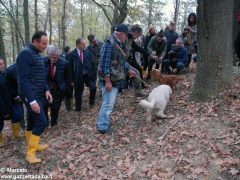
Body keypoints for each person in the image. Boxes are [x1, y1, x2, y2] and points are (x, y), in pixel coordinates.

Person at [16, 31, 52, 164]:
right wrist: (32, 101)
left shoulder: (36, 54)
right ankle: (30, 153)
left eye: (47, 43)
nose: (45, 46)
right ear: (35, 41)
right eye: (43, 43)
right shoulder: (25, 54)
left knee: (32, 121)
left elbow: (40, 76)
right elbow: (23, 80)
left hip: (38, 93)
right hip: (30, 95)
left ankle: (34, 145)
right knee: (42, 122)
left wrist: (47, 90)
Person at [97, 24, 136, 134]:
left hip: (115, 79)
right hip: (109, 80)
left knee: (109, 103)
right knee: (108, 104)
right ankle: (102, 126)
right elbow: (104, 65)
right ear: (119, 34)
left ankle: (103, 123)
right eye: (126, 35)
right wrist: (107, 81)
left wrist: (128, 70)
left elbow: (121, 61)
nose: (127, 37)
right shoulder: (109, 44)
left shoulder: (119, 43)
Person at [44, 46, 73, 126]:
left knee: (55, 107)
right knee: (45, 106)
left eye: (54, 57)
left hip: (59, 88)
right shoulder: (44, 61)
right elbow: (42, 76)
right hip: (46, 88)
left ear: (58, 56)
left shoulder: (65, 63)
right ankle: (45, 123)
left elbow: (68, 77)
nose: (52, 59)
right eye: (51, 57)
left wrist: (65, 87)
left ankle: (54, 123)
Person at [67, 37, 96, 111]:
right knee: (78, 93)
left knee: (93, 87)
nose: (85, 46)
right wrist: (71, 80)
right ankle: (78, 108)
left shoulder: (87, 52)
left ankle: (91, 103)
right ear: (78, 44)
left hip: (88, 75)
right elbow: (68, 69)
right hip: (77, 77)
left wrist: (93, 74)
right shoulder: (71, 54)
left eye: (85, 44)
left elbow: (92, 63)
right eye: (83, 44)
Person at [126, 25, 149, 93]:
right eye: (138, 35)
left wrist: (148, 54)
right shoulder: (125, 36)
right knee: (135, 72)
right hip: (123, 60)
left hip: (128, 58)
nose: (138, 37)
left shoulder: (130, 38)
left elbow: (137, 48)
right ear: (135, 32)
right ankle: (129, 86)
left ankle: (140, 88)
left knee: (138, 69)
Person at [6, 63, 25, 136]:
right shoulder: (11, 70)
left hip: (26, 93)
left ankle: (26, 128)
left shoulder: (28, 66)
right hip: (16, 96)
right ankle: (20, 130)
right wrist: (15, 95)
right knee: (19, 113)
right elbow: (8, 85)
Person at [0, 58, 12, 147]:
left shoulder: (3, 74)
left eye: (3, 63)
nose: (3, 65)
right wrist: (4, 110)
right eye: (0, 64)